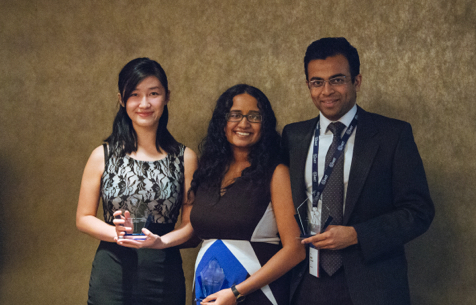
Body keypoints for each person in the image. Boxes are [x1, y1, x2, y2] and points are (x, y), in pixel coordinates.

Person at [281, 37, 434, 305]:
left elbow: (419, 211)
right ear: (308, 86)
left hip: (372, 285)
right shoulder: (293, 136)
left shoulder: (392, 135)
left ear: (357, 81)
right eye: (317, 82)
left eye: (337, 79)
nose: (326, 90)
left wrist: (356, 235)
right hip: (305, 283)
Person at [76, 57, 197, 305]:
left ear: (166, 96)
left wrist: (161, 242)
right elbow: (83, 218)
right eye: (134, 94)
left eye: (153, 93)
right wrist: (116, 233)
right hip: (112, 274)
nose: (144, 103)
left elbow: (191, 224)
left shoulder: (185, 158)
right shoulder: (102, 155)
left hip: (164, 274)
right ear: (122, 99)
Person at [189, 84, 306, 305]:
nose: (244, 123)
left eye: (254, 116)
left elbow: (296, 249)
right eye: (235, 115)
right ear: (222, 123)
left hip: (256, 295)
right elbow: (195, 229)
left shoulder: (276, 172)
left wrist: (236, 292)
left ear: (265, 124)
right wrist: (158, 241)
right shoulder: (209, 170)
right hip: (207, 295)